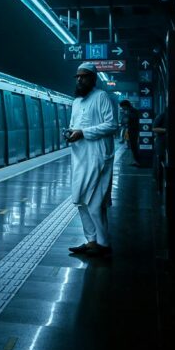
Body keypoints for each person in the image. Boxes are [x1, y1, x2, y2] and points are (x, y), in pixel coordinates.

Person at [65, 62, 119, 257]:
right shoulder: (76, 102)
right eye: (77, 77)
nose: (79, 79)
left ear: (93, 79)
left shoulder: (101, 97)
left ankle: (104, 244)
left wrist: (83, 132)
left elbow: (112, 125)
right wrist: (71, 133)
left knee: (95, 205)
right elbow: (74, 125)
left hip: (98, 158)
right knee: (80, 201)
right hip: (79, 158)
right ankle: (91, 241)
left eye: (84, 76)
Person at [118, 100, 141, 165]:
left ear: (125, 106)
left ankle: (137, 161)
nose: (122, 108)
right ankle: (136, 160)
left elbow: (127, 121)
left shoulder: (131, 112)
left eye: (122, 107)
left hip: (134, 131)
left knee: (134, 146)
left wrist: (126, 120)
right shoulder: (132, 111)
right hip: (133, 130)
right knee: (133, 146)